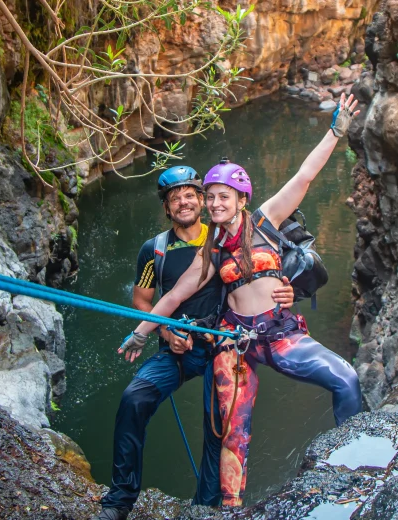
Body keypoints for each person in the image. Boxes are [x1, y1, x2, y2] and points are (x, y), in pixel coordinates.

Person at [119, 94, 364, 507]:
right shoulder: (211, 250)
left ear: (241, 198)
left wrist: (335, 132)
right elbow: (175, 295)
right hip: (235, 343)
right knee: (233, 429)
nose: (214, 204)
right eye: (210, 197)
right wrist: (140, 334)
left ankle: (357, 470)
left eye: (222, 196)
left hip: (281, 334)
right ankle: (231, 509)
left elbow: (304, 176)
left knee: (347, 380)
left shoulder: (266, 221)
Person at [95, 167, 295, 520]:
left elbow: (261, 277)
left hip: (221, 346)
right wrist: (164, 332)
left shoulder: (224, 239)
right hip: (177, 346)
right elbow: (143, 300)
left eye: (190, 195)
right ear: (167, 208)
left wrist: (287, 292)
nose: (183, 202)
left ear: (203, 201)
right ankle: (120, 498)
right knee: (133, 399)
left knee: (217, 424)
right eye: (175, 199)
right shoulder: (154, 250)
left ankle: (205, 508)